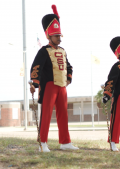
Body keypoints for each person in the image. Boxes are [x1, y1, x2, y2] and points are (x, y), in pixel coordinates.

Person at [30, 5, 79, 152]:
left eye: (60, 36)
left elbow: (69, 67)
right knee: (45, 115)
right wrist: (34, 83)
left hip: (62, 87)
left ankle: (65, 142)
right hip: (49, 87)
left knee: (63, 115)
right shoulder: (44, 51)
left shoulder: (63, 51)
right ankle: (42, 143)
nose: (59, 38)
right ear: (49, 36)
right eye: (57, 36)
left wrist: (68, 79)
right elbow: (36, 67)